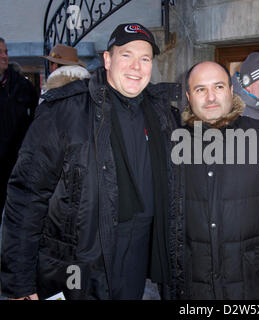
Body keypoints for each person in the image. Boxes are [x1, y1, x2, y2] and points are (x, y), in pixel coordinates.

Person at [0, 23, 182, 300]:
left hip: (138, 252)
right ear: (107, 60)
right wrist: (20, 284)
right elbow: (26, 197)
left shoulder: (163, 114)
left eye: (145, 59)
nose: (136, 66)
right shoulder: (64, 111)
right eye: (126, 55)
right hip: (79, 260)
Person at [176, 61, 259, 299]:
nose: (211, 97)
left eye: (218, 87)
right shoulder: (174, 142)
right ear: (188, 96)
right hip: (196, 283)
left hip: (254, 282)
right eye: (200, 89)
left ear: (231, 90)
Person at [0, 37, 38, 220]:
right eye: (0, 52)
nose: (4, 56)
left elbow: (35, 120)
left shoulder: (22, 86)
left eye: (6, 52)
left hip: (16, 165)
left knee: (16, 218)